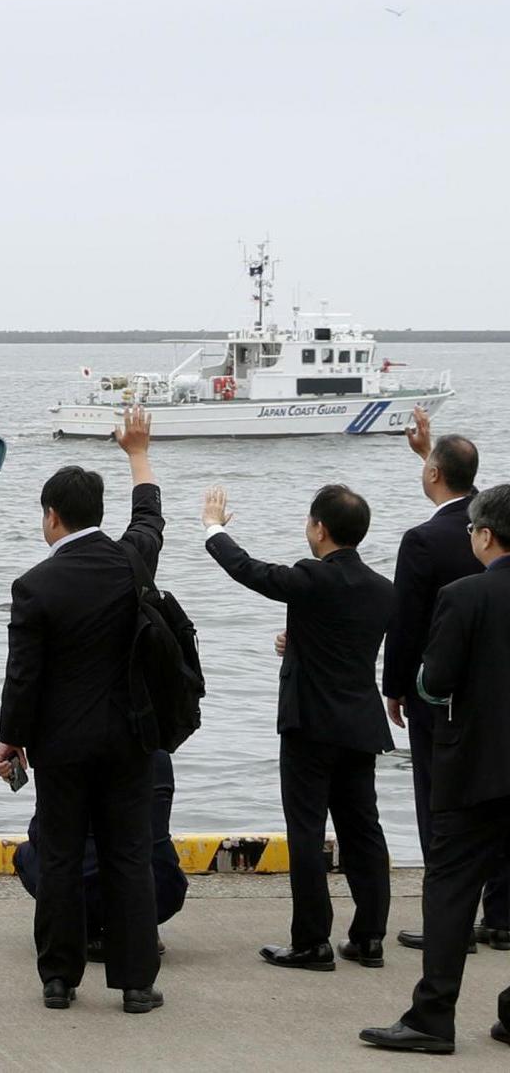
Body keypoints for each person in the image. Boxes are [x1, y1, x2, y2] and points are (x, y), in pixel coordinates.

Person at [0, 405, 166, 1014]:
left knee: (62, 857)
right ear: (98, 515)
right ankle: (137, 984)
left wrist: (10, 739)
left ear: (52, 516)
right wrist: (137, 454)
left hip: (62, 746)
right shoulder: (132, 561)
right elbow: (149, 514)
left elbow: (24, 676)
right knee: (129, 855)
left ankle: (60, 980)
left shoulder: (35, 585)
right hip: (129, 740)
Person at [200, 481, 394, 970]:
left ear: (320, 528)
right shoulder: (382, 590)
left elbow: (250, 571)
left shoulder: (312, 576)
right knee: (363, 829)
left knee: (306, 831)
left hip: (310, 725)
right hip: (360, 724)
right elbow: (344, 638)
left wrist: (213, 528)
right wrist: (299, 640)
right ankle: (369, 936)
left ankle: (312, 941)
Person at [362, 484, 510, 1054]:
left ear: (486, 535)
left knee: (449, 889)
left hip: (473, 766)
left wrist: (419, 681)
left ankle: (433, 1016)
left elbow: (434, 681)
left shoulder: (465, 596)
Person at [381, 409, 499, 950]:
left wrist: (394, 685)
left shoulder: (422, 540)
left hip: (442, 693)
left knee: (440, 802)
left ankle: (445, 920)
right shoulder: (495, 527)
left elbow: (406, 622)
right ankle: (499, 915)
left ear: (433, 474)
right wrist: (428, 453)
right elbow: (466, 499)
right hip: (498, 690)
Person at [14, 748, 189, 951]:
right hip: (164, 892)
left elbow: (41, 837)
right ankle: (141, 927)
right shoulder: (159, 754)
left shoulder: (66, 750)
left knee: (26, 855)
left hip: (92, 893)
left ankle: (89, 931)